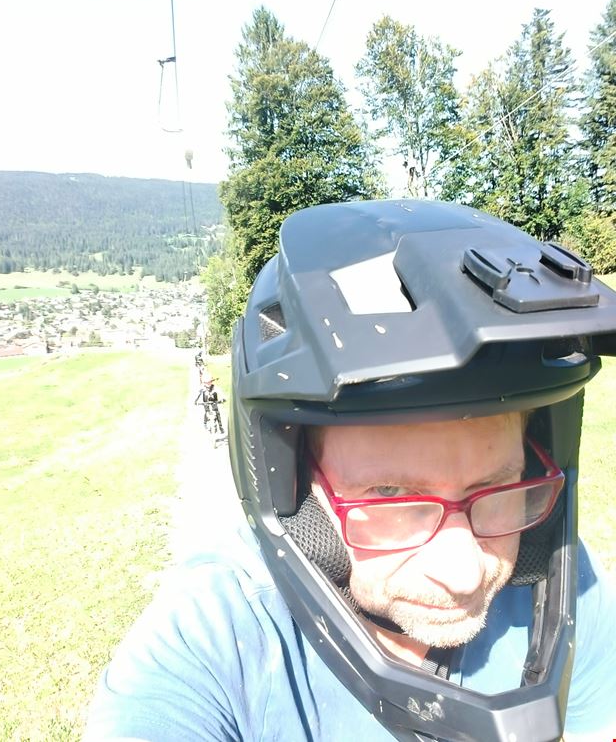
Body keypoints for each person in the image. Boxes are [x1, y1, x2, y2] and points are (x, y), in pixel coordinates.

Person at [85, 199, 616, 741]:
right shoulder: (212, 642)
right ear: (296, 489)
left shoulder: (557, 582)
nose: (465, 574)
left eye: (498, 486)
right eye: (390, 496)